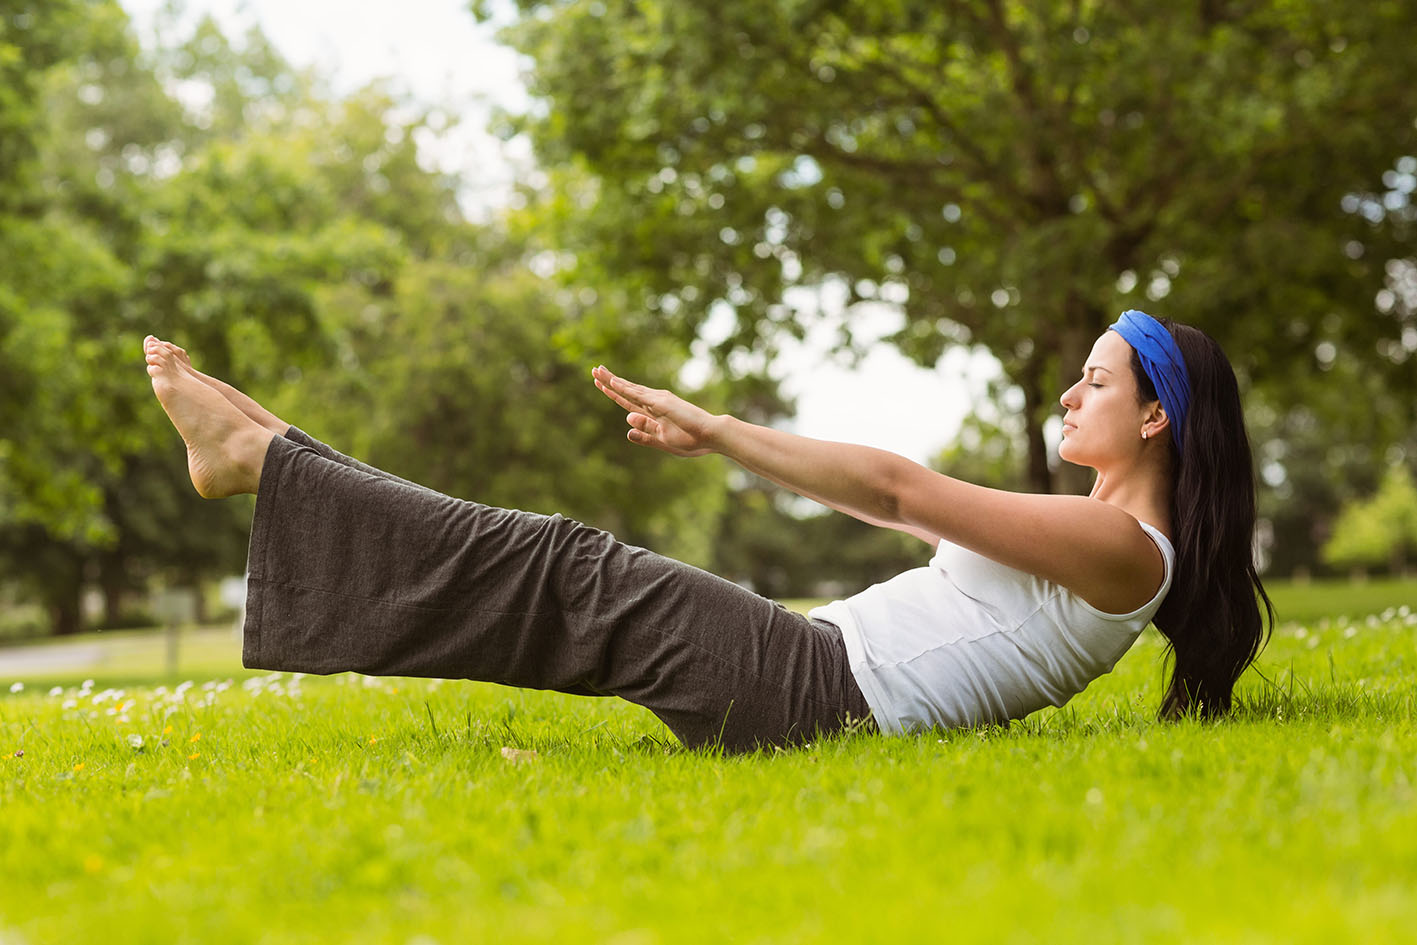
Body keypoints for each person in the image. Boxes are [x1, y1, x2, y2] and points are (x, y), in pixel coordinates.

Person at [142, 309, 1272, 752]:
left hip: (817, 692)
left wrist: (718, 431)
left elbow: (893, 489)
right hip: (814, 669)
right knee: (559, 567)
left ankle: (269, 465)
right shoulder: (1100, 534)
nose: (1069, 398)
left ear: (1158, 414)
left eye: (1095, 382)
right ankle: (281, 461)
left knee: (564, 563)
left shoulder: (1130, 553)